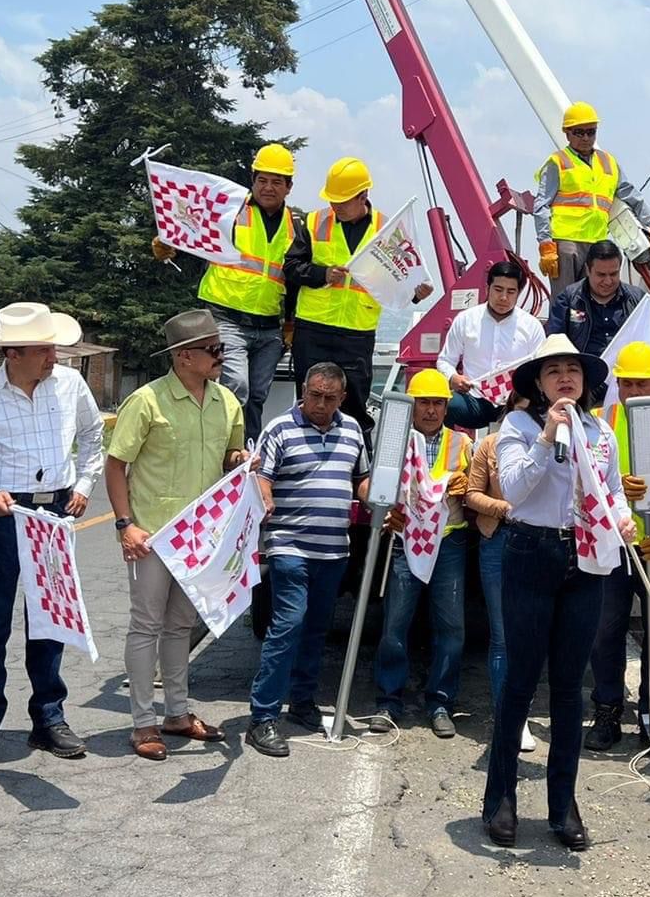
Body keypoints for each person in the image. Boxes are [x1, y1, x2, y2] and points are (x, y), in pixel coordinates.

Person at [482, 335, 637, 852]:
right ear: (538, 384)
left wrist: (623, 516)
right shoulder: (518, 427)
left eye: (573, 370)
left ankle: (562, 803)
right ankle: (501, 799)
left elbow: (610, 490)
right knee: (521, 683)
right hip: (531, 553)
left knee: (570, 689)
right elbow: (515, 491)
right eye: (553, 372)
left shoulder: (600, 433)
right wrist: (548, 437)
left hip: (586, 560)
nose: (565, 378)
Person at [0, 302, 105, 766]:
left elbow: (94, 438)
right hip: (3, 516)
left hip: (54, 514)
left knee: (50, 621)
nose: (54, 355)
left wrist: (82, 485)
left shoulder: (71, 385)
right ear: (13, 353)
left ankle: (49, 717)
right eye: (44, 348)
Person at [106, 310, 248, 760]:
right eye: (213, 351)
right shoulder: (146, 402)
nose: (220, 357)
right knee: (146, 625)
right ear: (184, 356)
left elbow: (230, 456)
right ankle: (143, 722)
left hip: (201, 539)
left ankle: (177, 713)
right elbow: (116, 465)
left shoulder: (227, 401)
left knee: (182, 625)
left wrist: (239, 458)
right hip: (152, 534)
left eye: (220, 349)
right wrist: (126, 524)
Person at [246, 362, 371, 758]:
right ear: (303, 390)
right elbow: (261, 475)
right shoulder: (280, 429)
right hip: (289, 546)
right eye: (314, 395)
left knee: (317, 629)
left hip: (334, 550)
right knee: (289, 623)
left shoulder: (352, 429)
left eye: (329, 398)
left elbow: (361, 479)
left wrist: (382, 498)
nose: (320, 404)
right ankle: (262, 715)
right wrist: (265, 495)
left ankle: (302, 702)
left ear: (342, 397)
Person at [584, 341, 650, 757]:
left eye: (642, 382)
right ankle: (608, 711)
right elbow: (580, 484)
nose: (633, 391)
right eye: (626, 383)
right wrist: (613, 490)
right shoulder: (597, 424)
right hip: (611, 548)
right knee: (604, 632)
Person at [285, 157, 432, 437]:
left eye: (342, 200)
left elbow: (399, 279)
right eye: (332, 200)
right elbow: (291, 268)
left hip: (357, 334)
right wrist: (323, 274)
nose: (335, 206)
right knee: (309, 405)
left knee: (353, 408)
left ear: (363, 195)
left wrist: (416, 294)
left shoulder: (387, 230)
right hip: (314, 329)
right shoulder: (315, 222)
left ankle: (356, 473)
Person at [369, 370, 472, 737]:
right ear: (412, 406)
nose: (431, 410)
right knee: (396, 622)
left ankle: (440, 701)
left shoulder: (462, 444)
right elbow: (375, 485)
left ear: (447, 406)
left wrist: (466, 486)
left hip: (448, 540)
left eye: (438, 403)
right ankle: (388, 700)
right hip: (406, 540)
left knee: (451, 626)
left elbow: (474, 489)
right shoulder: (394, 440)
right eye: (424, 403)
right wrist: (385, 509)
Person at [196, 142, 300, 435]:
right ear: (252, 180)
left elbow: (293, 279)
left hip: (268, 327)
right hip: (227, 317)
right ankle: (225, 452)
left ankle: (247, 453)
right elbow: (196, 235)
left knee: (257, 395)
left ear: (288, 187)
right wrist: (169, 248)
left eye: (276, 181)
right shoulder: (232, 211)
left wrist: (290, 323)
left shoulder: (295, 227)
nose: (268, 187)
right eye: (262, 180)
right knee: (236, 387)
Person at [465, 398, 538, 753]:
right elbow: (472, 494)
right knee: (502, 636)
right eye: (517, 411)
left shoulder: (553, 445)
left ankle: (523, 707)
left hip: (538, 543)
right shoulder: (489, 446)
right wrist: (503, 508)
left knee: (531, 634)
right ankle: (510, 718)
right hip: (498, 540)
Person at [533, 101, 650, 289]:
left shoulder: (608, 162)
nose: (586, 137)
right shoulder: (558, 162)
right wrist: (546, 244)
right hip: (566, 244)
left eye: (591, 132)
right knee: (565, 302)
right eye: (579, 132)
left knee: (593, 301)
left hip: (597, 244)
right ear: (567, 133)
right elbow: (541, 205)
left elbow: (632, 195)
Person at [436, 260, 546, 429]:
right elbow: (444, 360)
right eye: (498, 289)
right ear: (487, 289)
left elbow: (541, 368)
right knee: (443, 406)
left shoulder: (531, 326)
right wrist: (453, 378)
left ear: (518, 293)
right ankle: (445, 451)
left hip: (515, 402)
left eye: (511, 292)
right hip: (473, 399)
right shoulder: (466, 319)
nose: (503, 297)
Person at [544, 240, 650, 404]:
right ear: (588, 270)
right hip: (583, 387)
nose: (608, 281)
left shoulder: (638, 300)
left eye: (613, 274)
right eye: (601, 275)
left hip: (625, 386)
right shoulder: (569, 299)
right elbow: (554, 343)